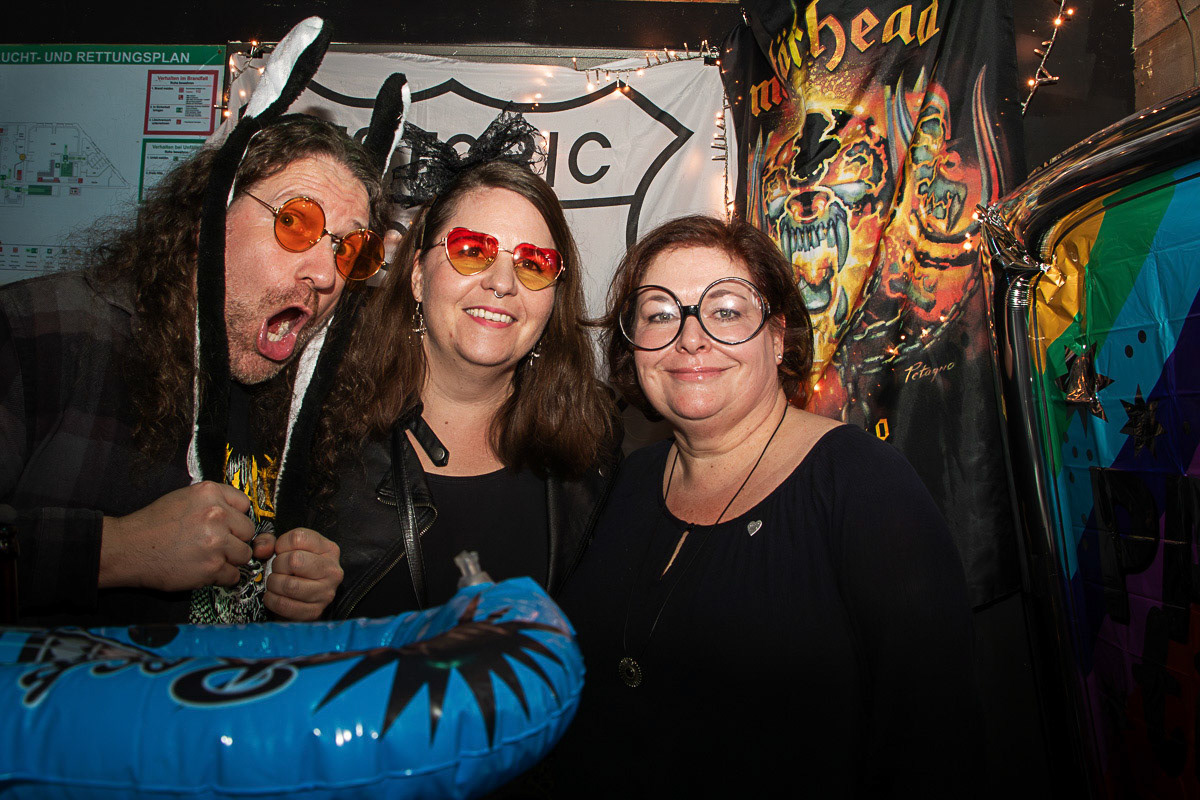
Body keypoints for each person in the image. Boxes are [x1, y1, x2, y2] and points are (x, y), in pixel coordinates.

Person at [553, 215, 980, 796]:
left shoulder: (862, 485)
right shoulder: (622, 482)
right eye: (660, 314)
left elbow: (935, 744)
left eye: (726, 310)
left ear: (778, 337)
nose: (690, 337)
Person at [0, 114, 388, 625]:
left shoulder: (306, 400)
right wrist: (117, 551)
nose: (324, 275)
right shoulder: (41, 332)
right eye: (295, 223)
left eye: (349, 250)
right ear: (207, 214)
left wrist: (305, 587)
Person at [313, 141, 619, 619]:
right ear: (418, 276)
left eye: (533, 263)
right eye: (472, 250)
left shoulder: (594, 443)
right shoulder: (321, 431)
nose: (502, 283)